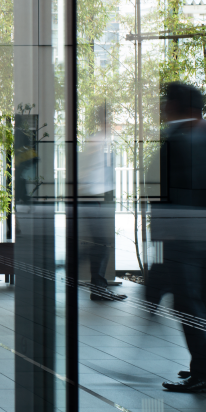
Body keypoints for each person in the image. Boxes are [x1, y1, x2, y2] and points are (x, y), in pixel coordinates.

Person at [147, 82, 206, 394]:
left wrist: (161, 236)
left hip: (187, 238)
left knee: (189, 302)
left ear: (179, 106)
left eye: (165, 101)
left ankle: (204, 372)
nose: (161, 107)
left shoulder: (181, 139)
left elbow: (164, 192)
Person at [78, 104, 125, 301]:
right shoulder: (96, 140)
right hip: (93, 198)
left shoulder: (101, 140)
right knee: (102, 244)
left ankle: (97, 287)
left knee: (101, 244)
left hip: (96, 198)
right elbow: (86, 172)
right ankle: (96, 286)